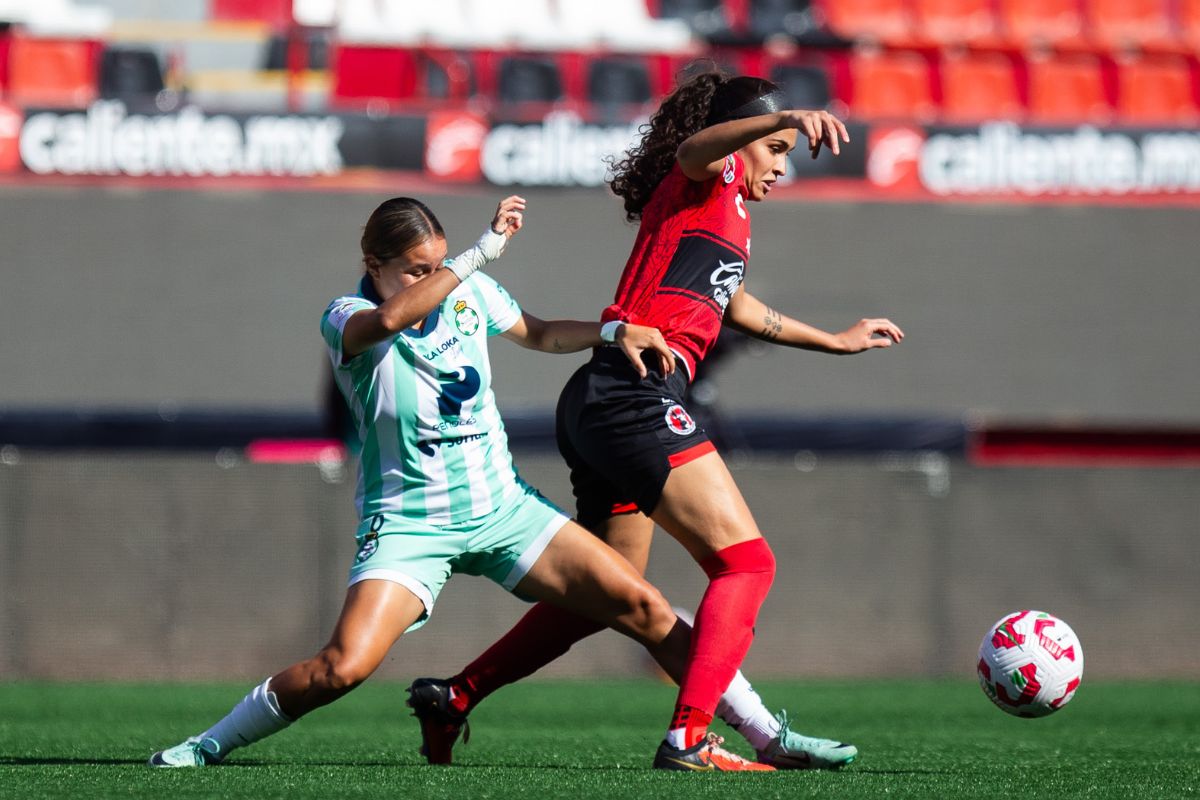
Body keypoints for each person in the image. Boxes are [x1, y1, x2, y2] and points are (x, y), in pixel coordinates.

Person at [407, 71, 905, 772]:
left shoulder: (729, 215)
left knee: (607, 594)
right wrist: (781, 116)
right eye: (778, 148)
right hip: (635, 397)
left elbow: (739, 308)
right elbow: (696, 151)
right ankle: (689, 737)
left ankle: (456, 695)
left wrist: (836, 340)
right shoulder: (705, 177)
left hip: (599, 401)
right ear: (746, 142)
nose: (783, 164)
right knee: (747, 564)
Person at [147, 195, 720, 768]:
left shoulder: (469, 292)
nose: (433, 279)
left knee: (643, 605)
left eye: (435, 264)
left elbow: (541, 334)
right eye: (416, 269)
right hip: (408, 524)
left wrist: (613, 330)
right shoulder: (344, 316)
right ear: (374, 265)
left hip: (502, 510)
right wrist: (477, 254)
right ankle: (206, 745)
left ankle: (758, 733)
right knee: (341, 668)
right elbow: (391, 319)